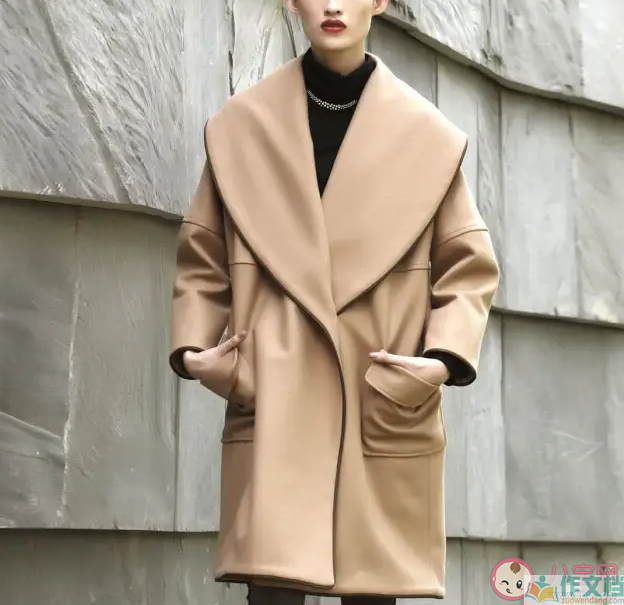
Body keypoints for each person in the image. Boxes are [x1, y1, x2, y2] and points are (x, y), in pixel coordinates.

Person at [169, 0, 500, 603]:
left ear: (380, 2)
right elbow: (203, 256)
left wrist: (439, 360)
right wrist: (198, 353)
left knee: (372, 588)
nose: (331, 5)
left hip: (377, 392)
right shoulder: (242, 127)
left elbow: (469, 267)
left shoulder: (426, 138)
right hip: (275, 396)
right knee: (272, 590)